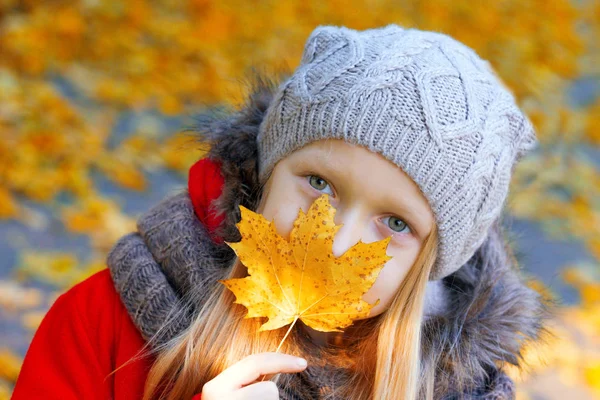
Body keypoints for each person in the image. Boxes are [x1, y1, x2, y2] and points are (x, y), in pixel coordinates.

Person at [13, 24, 548, 400]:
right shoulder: (103, 321)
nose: (337, 242)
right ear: (267, 171)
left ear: (431, 264)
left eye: (396, 223)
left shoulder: (457, 388)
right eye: (320, 184)